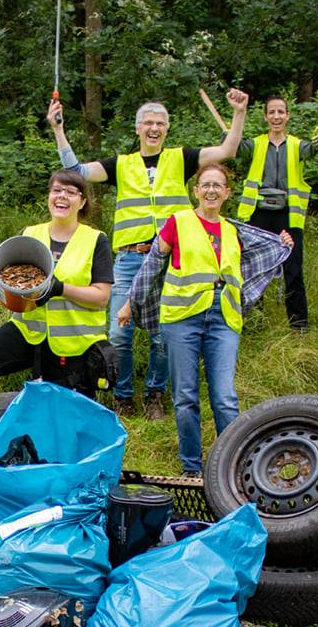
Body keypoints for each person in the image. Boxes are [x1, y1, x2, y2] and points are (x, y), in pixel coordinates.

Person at [49, 89, 249, 417]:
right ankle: (123, 395)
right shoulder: (122, 164)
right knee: (119, 332)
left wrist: (239, 113)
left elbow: (227, 150)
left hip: (171, 259)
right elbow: (76, 170)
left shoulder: (181, 159)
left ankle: (155, 393)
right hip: (130, 257)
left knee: (163, 335)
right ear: (138, 128)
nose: (154, 128)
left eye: (160, 123)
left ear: (167, 129)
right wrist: (58, 130)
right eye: (148, 123)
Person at [123, 164, 289, 476]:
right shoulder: (178, 222)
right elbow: (152, 264)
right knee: (185, 397)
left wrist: (282, 242)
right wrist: (130, 303)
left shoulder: (234, 230)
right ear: (196, 191)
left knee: (225, 397)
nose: (211, 190)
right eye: (206, 185)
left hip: (223, 316)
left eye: (217, 186)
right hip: (181, 317)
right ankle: (192, 467)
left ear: (227, 193)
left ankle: (233, 468)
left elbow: (262, 254)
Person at [0, 170, 114, 407]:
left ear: (82, 202)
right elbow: (13, 280)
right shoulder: (30, 234)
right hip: (28, 332)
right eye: (56, 190)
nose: (62, 196)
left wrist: (60, 288)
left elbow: (102, 297)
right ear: (48, 196)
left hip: (73, 343)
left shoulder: (95, 240)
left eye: (71, 192)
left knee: (60, 411)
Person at [235, 95, 316, 330]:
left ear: (287, 116)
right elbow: (236, 148)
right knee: (255, 267)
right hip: (258, 213)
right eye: (272, 112)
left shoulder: (297, 145)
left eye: (281, 112)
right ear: (265, 116)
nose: (276, 116)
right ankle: (254, 322)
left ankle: (299, 326)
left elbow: (310, 151)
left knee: (293, 269)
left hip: (288, 215)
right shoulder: (256, 144)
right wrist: (229, 136)